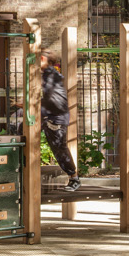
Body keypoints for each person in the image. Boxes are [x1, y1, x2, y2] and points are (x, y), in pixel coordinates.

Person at [39, 50, 78, 191]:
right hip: (50, 115)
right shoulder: (49, 74)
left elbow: (50, 98)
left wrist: (35, 104)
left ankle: (74, 177)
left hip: (56, 117)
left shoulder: (50, 75)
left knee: (59, 148)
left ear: (42, 59)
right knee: (21, 130)